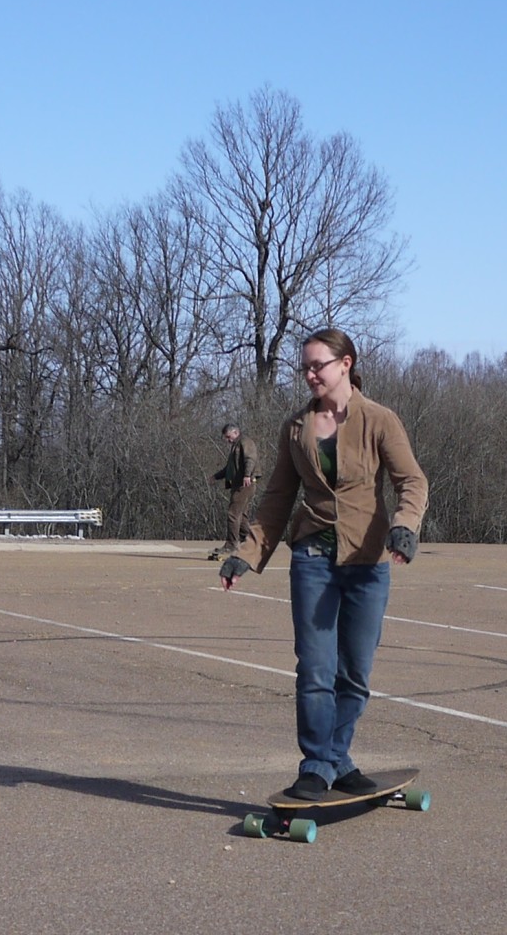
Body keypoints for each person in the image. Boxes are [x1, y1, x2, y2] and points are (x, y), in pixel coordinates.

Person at [219, 328, 428, 800]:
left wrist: (404, 526)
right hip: (313, 557)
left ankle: (338, 757)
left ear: (346, 364)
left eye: (319, 365)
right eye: (306, 367)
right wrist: (246, 555)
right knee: (315, 669)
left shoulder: (379, 420)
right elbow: (276, 499)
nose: (310, 374)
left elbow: (411, 481)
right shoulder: (296, 428)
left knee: (354, 672)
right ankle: (317, 763)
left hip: (367, 560)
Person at [209, 424, 261, 556]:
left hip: (245, 484)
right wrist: (216, 476)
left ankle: (231, 545)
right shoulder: (236, 445)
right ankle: (251, 542)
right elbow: (230, 468)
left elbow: (251, 459)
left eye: (228, 436)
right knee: (241, 515)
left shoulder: (245, 442)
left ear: (235, 432)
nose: (228, 440)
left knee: (233, 514)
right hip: (238, 484)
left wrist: (247, 475)